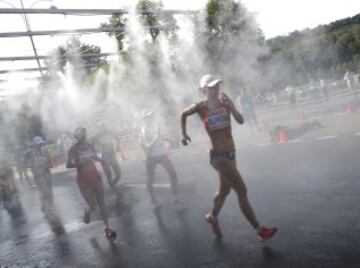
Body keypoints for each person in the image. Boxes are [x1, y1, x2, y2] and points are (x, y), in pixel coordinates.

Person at [180, 74, 277, 242]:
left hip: (231, 154)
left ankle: (211, 217)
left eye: (217, 86)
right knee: (242, 190)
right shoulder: (200, 107)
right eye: (211, 87)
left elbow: (240, 120)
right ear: (204, 89)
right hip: (218, 157)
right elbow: (183, 114)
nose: (216, 89)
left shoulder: (225, 104)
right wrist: (184, 134)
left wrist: (231, 105)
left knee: (224, 191)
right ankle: (260, 231)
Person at [66, 127, 116, 238]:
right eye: (81, 134)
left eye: (85, 134)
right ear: (77, 136)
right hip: (83, 179)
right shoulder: (74, 149)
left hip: (95, 176)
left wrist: (101, 160)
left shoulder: (89, 146)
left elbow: (94, 156)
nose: (84, 136)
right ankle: (88, 210)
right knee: (93, 206)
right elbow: (68, 165)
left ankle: (107, 227)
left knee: (102, 203)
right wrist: (80, 164)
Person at [139, 110, 183, 211]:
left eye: (152, 116)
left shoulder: (154, 126)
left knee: (173, 173)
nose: (152, 118)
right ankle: (153, 201)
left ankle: (175, 197)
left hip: (161, 155)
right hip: (151, 157)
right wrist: (157, 136)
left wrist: (170, 140)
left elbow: (160, 138)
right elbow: (148, 145)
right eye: (149, 116)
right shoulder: (145, 129)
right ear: (145, 119)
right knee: (151, 179)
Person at [24, 136, 55, 216]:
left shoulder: (45, 151)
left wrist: (49, 165)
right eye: (37, 145)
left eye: (40, 144)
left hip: (46, 174)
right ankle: (46, 204)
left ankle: (50, 206)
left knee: (49, 191)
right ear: (34, 145)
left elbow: (51, 162)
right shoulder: (30, 154)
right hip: (38, 176)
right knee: (44, 191)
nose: (39, 146)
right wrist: (31, 166)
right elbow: (26, 164)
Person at [92, 120, 121, 192]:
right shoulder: (97, 136)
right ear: (99, 128)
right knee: (109, 174)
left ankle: (113, 185)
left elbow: (117, 138)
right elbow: (92, 144)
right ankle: (115, 190)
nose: (104, 128)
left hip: (112, 155)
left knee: (118, 174)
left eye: (104, 126)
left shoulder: (110, 132)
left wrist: (118, 145)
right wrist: (94, 153)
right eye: (102, 127)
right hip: (104, 157)